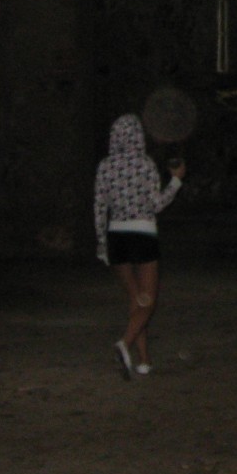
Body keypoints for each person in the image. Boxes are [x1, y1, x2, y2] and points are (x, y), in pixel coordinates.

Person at [94, 113, 185, 379]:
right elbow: (156, 204)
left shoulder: (105, 166)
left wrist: (102, 243)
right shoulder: (145, 164)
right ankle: (125, 343)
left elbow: (99, 207)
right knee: (148, 300)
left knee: (136, 299)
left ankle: (144, 361)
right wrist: (176, 180)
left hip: (117, 237)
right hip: (142, 234)